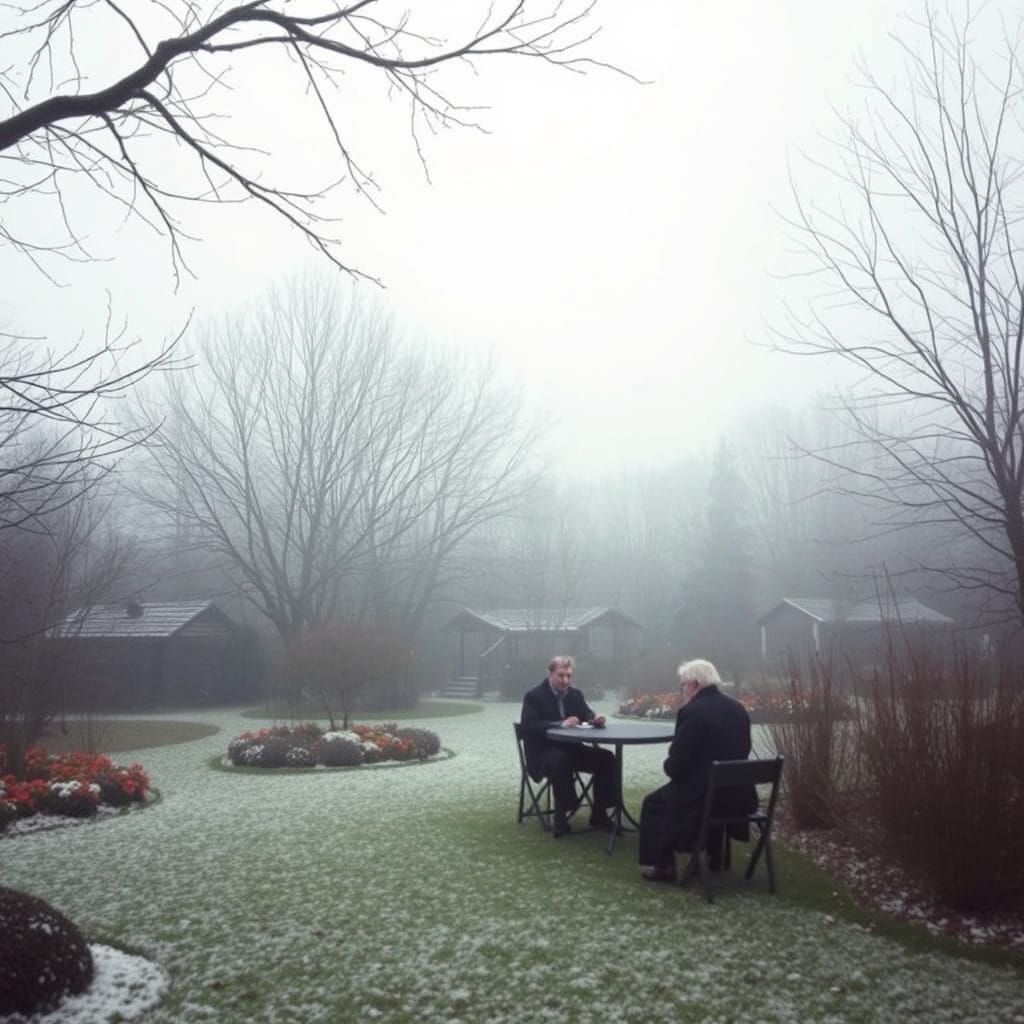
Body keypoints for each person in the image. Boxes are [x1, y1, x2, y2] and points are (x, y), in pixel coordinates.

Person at [637, 658, 756, 881]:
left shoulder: (692, 712)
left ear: (694, 683)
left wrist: (668, 765)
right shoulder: (738, 708)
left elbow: (677, 766)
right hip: (739, 797)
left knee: (653, 803)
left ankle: (663, 867)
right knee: (703, 787)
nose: (682, 689)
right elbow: (744, 749)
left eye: (683, 684)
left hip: (704, 799)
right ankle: (716, 856)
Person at [520, 655, 619, 837]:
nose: (566, 680)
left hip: (572, 750)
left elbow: (586, 713)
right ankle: (561, 816)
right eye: (561, 675)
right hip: (542, 754)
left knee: (607, 759)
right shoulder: (534, 696)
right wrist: (559, 724)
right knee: (560, 760)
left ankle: (600, 814)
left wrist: (594, 719)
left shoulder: (575, 695)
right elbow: (529, 726)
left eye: (569, 676)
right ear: (550, 674)